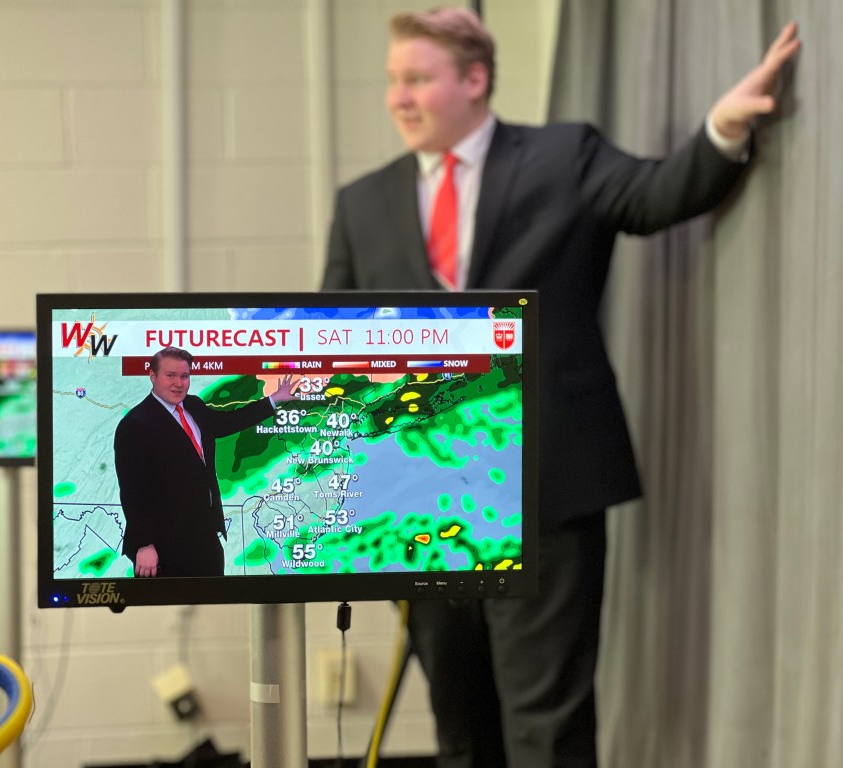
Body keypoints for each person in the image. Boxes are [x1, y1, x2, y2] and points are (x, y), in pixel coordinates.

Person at [321, 8, 800, 767]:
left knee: (548, 726)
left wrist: (722, 128)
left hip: (542, 487)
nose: (398, 98)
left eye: (416, 79)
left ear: (474, 80)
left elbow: (654, 196)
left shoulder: (562, 156)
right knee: (461, 727)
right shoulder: (363, 203)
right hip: (411, 501)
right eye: (392, 80)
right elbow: (333, 345)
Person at [113, 346, 299, 578]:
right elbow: (133, 492)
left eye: (184, 376)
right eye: (170, 375)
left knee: (214, 599)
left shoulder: (193, 406)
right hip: (163, 548)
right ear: (153, 376)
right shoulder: (135, 424)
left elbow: (228, 422)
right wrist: (144, 545)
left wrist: (273, 399)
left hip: (204, 538)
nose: (178, 383)